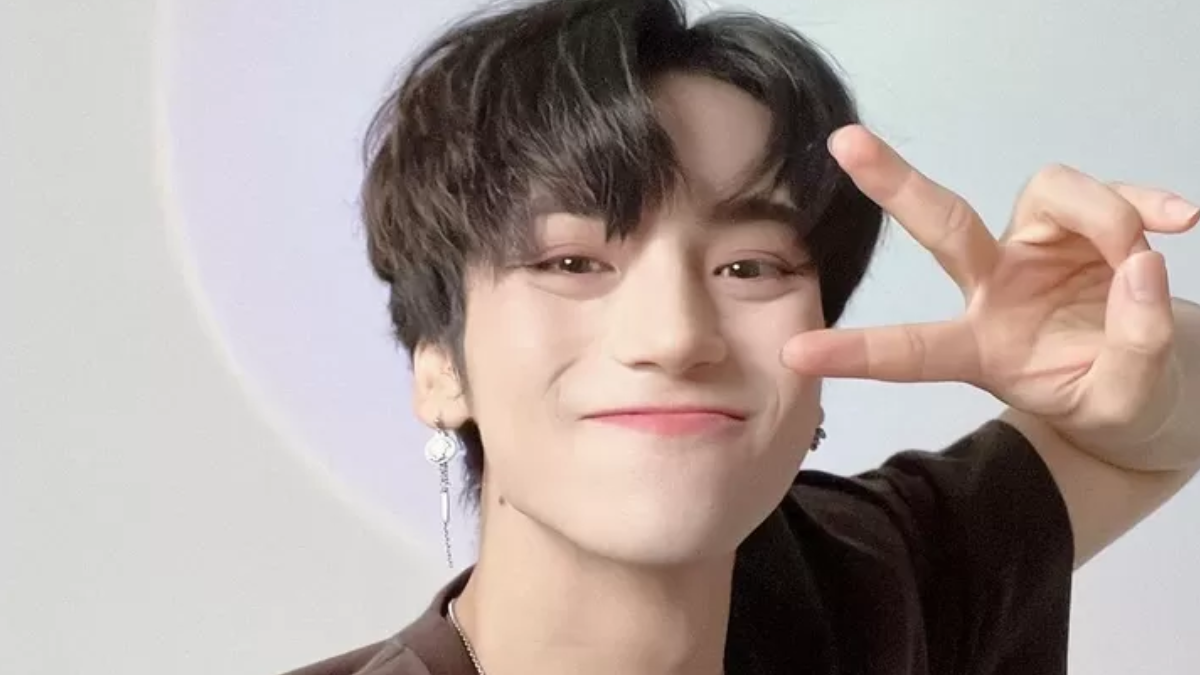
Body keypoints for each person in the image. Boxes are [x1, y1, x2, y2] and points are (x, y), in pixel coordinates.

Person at [283, 0, 1200, 673]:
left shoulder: (868, 584)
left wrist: (1125, 372)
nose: (676, 335)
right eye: (572, 262)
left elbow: (1159, 422)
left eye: (750, 267)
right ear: (439, 366)